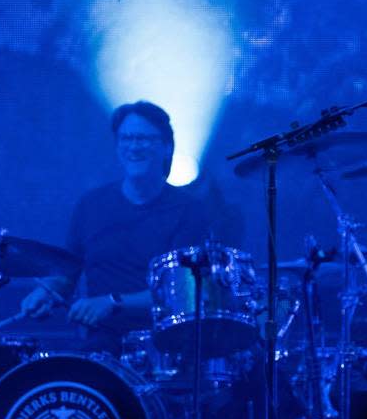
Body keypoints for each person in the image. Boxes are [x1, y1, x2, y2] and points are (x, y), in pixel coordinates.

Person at [20, 101, 242, 353]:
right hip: (99, 344)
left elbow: (181, 292)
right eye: (127, 138)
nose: (134, 146)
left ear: (167, 148)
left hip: (164, 347)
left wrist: (113, 302)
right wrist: (46, 291)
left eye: (144, 139)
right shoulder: (91, 205)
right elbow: (67, 273)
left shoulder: (189, 211)